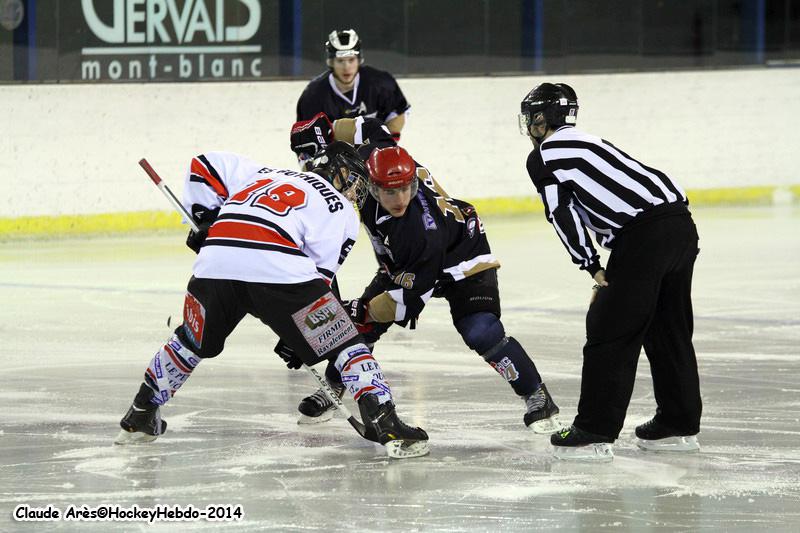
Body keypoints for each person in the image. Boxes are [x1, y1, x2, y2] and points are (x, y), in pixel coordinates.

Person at [114, 142, 429, 459]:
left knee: (189, 342)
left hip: (216, 261)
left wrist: (206, 218)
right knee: (346, 341)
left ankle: (141, 412)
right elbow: (318, 282)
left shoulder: (263, 173)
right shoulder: (340, 208)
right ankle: (383, 419)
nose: (356, 192)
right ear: (341, 173)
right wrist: (299, 333)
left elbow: (204, 166)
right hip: (279, 266)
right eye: (356, 181)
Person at [289, 113, 562, 434]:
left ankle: (537, 395)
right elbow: (364, 126)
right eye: (387, 191)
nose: (398, 199)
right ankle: (335, 385)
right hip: (407, 256)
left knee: (480, 329)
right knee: (362, 326)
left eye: (403, 190)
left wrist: (346, 311)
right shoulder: (377, 156)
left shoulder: (414, 228)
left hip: (462, 254)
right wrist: (324, 134)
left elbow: (406, 303)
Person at [519, 82, 702, 461]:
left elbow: (561, 213)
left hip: (642, 237)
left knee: (608, 330)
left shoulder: (545, 155)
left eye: (532, 116)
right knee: (669, 329)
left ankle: (593, 431)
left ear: (542, 117)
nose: (530, 125)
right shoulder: (589, 140)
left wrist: (591, 265)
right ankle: (678, 424)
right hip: (680, 225)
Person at [295, 28, 410, 167]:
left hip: (375, 159)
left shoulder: (381, 83)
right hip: (335, 167)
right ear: (331, 62)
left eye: (351, 60)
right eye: (340, 61)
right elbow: (304, 143)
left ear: (359, 59)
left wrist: (383, 146)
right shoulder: (313, 96)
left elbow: (398, 113)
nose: (346, 67)